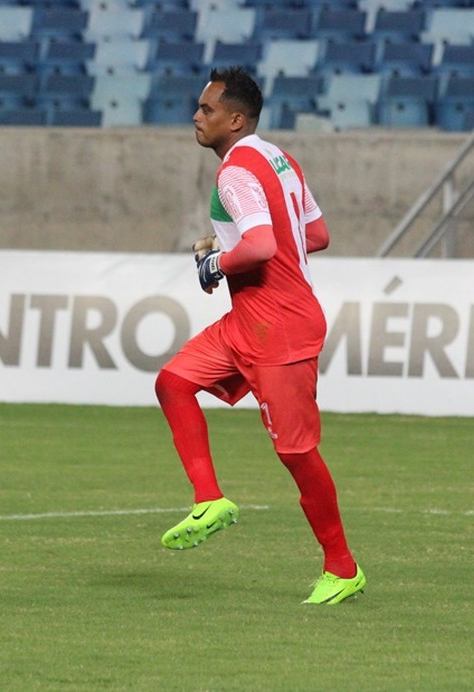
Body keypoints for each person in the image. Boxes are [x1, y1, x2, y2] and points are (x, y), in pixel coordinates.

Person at [154, 67, 365, 605]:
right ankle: (209, 499)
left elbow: (263, 247)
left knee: (297, 455)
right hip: (249, 321)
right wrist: (228, 240)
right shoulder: (279, 158)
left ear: (236, 118)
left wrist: (217, 262)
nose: (196, 117)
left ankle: (343, 568)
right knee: (173, 382)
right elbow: (314, 233)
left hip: (282, 328)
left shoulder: (234, 174)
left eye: (207, 110)